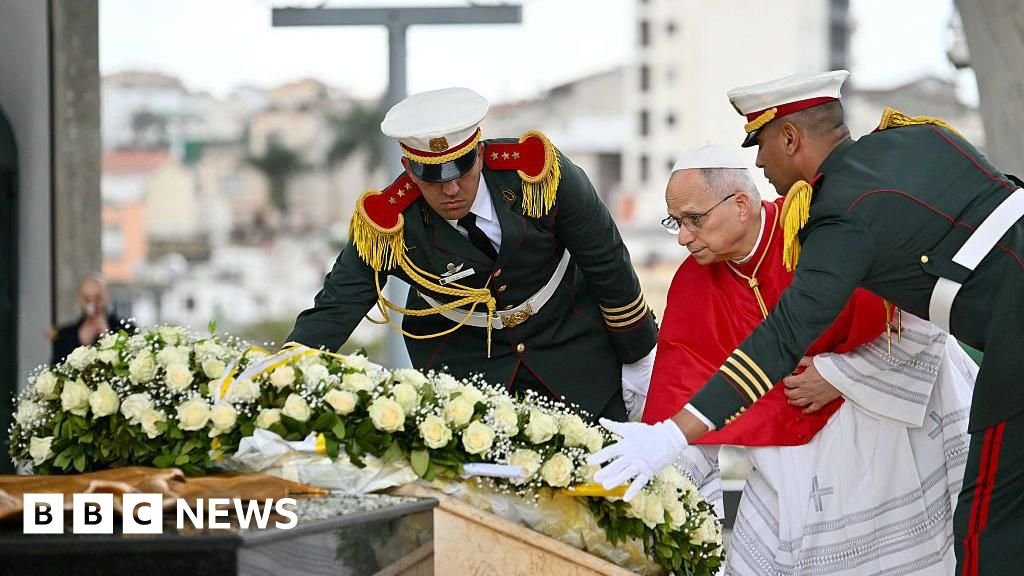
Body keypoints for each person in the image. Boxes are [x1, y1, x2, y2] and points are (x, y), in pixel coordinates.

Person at [590, 69, 1023, 575]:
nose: (758, 162)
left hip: (969, 363)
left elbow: (781, 340)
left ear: (790, 139)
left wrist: (668, 438)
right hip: (996, 325)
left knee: (985, 528)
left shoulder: (833, 220)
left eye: (762, 146)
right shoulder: (920, 134)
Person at [644, 144, 975, 574]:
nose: (683, 236)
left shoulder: (821, 227)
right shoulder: (692, 283)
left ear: (740, 205)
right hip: (783, 460)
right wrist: (652, 490)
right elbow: (686, 392)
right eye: (676, 222)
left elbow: (918, 323)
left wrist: (839, 375)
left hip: (877, 430)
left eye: (694, 220)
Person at [288, 87, 657, 422]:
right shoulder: (389, 222)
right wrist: (281, 379)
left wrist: (638, 354)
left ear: (479, 151)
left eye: (461, 169)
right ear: (408, 170)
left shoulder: (537, 172)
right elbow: (336, 307)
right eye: (432, 175)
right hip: (467, 385)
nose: (450, 189)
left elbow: (605, 258)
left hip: (575, 357)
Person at [51, 275, 126, 365]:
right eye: (87, 299)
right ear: (80, 300)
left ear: (107, 297)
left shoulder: (124, 329)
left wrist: (107, 338)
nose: (93, 304)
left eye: (98, 298)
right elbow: (57, 369)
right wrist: (79, 342)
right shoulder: (64, 335)